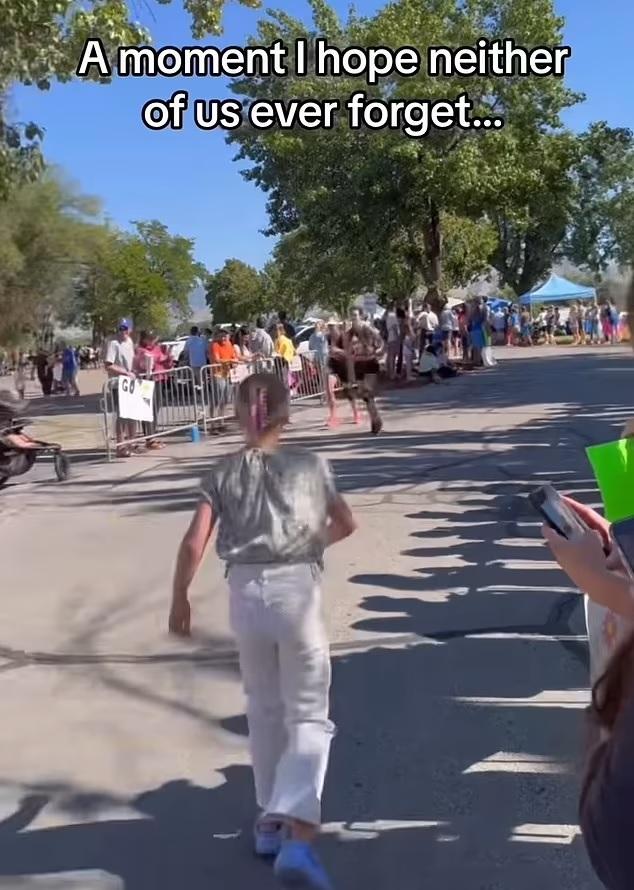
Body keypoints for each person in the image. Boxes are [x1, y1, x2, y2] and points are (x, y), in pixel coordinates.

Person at [169, 373, 356, 890]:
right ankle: (298, 835)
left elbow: (193, 542)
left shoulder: (222, 471)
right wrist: (308, 543)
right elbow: (346, 523)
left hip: (245, 594)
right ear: (286, 413)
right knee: (308, 713)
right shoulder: (311, 465)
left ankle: (269, 820)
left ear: (237, 413)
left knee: (264, 708)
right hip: (297, 590)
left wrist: (180, 595)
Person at [342, 314, 384, 434]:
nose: (353, 319)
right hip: (359, 364)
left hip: (370, 363)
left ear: (360, 317)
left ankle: (376, 421)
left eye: (355, 316)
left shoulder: (368, 329)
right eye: (352, 316)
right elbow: (348, 354)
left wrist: (378, 351)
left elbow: (381, 342)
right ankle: (375, 418)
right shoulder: (349, 333)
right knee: (364, 395)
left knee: (368, 392)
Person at [105, 319, 138, 458]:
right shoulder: (113, 343)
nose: (122, 331)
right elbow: (108, 365)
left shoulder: (129, 341)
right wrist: (125, 372)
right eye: (120, 328)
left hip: (131, 382)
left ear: (130, 329)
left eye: (125, 328)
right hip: (118, 383)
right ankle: (120, 445)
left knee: (133, 414)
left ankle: (132, 442)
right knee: (122, 415)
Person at [134, 331, 168, 450]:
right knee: (147, 410)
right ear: (144, 339)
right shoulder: (140, 350)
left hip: (158, 379)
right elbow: (141, 364)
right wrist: (155, 358)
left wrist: (167, 357)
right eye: (151, 339)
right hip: (145, 381)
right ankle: (149, 438)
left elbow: (164, 361)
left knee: (156, 407)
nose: (153, 341)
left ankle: (153, 435)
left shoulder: (157, 348)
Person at [309, 320, 337, 427]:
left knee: (325, 380)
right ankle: (324, 396)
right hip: (321, 359)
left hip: (324, 359)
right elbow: (311, 347)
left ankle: (324, 396)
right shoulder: (317, 335)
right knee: (323, 379)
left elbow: (312, 347)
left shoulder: (321, 335)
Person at [210, 328, 237, 428]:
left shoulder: (229, 344)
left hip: (227, 374)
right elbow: (217, 359)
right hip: (218, 374)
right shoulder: (215, 345)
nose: (223, 338)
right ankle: (212, 421)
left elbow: (234, 356)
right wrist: (230, 361)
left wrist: (234, 362)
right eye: (221, 336)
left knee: (225, 399)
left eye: (224, 336)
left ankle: (221, 420)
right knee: (216, 399)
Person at [384, 303, 401, 381]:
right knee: (392, 356)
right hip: (393, 338)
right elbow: (395, 327)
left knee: (390, 356)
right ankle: (392, 374)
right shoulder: (393, 316)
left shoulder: (387, 316)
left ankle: (389, 372)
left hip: (389, 338)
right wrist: (398, 337)